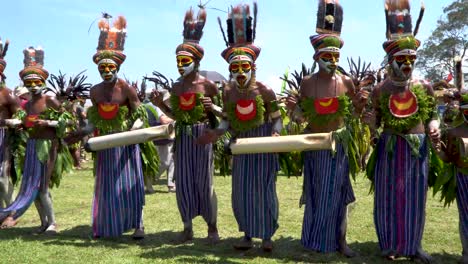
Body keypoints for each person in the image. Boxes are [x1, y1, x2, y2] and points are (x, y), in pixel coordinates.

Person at [285, 0, 366, 257]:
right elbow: (300, 117)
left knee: (338, 193)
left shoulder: (346, 82)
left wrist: (361, 106)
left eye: (335, 56)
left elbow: (354, 114)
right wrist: (291, 109)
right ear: (316, 57)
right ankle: (313, 241)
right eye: (326, 56)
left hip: (339, 144)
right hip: (314, 143)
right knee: (317, 192)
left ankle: (340, 240)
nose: (332, 61)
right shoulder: (307, 84)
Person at [198, 2, 281, 252]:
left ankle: (266, 235)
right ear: (230, 70)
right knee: (242, 192)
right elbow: (227, 122)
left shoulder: (265, 90)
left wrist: (276, 132)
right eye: (235, 68)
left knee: (265, 190)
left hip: (264, 142)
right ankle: (247, 234)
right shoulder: (229, 92)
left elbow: (277, 118)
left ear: (253, 67)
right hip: (242, 145)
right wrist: (216, 132)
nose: (240, 72)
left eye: (245, 67)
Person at [362, 1, 440, 262]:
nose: (407, 63)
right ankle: (389, 245)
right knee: (387, 195)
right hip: (390, 145)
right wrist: (371, 124)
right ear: (391, 60)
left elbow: (433, 115)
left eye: (411, 59)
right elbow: (375, 122)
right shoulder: (380, 89)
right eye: (402, 59)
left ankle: (413, 246)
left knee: (415, 197)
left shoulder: (424, 85)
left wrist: (433, 127)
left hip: (417, 147)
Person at [69, 16, 158, 239]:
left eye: (110, 67)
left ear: (117, 66)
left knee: (131, 184)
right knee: (108, 186)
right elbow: (94, 121)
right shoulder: (96, 91)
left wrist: (132, 131)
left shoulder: (126, 89)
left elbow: (140, 116)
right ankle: (109, 223)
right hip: (105, 143)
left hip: (127, 142)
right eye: (102, 67)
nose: (106, 70)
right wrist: (83, 133)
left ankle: (139, 224)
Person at [151, 7, 220, 243]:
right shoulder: (177, 87)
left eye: (185, 60)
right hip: (183, 135)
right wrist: (162, 106)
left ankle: (212, 227)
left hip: (202, 136)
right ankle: (187, 227)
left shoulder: (208, 86)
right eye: (178, 60)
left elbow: (217, 118)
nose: (181, 64)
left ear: (197, 61)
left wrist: (211, 114)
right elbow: (178, 116)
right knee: (184, 184)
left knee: (205, 182)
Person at [0, 46, 73, 234]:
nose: (33, 85)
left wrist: (48, 121)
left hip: (48, 146)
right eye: (29, 82)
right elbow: (24, 122)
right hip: (31, 146)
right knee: (32, 189)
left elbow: (67, 120)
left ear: (43, 81)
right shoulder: (29, 103)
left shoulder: (49, 100)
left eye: (36, 81)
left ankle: (53, 223)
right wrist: (15, 123)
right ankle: (43, 223)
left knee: (42, 188)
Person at [435, 92, 468, 264]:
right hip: (463, 177)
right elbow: (447, 157)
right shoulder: (453, 131)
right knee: (465, 215)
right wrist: (438, 149)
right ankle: (467, 253)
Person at [0, 38, 19, 208]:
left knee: (2, 177)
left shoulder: (8, 95)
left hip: (3, 139)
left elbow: (21, 120)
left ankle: (10, 209)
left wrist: (5, 122)